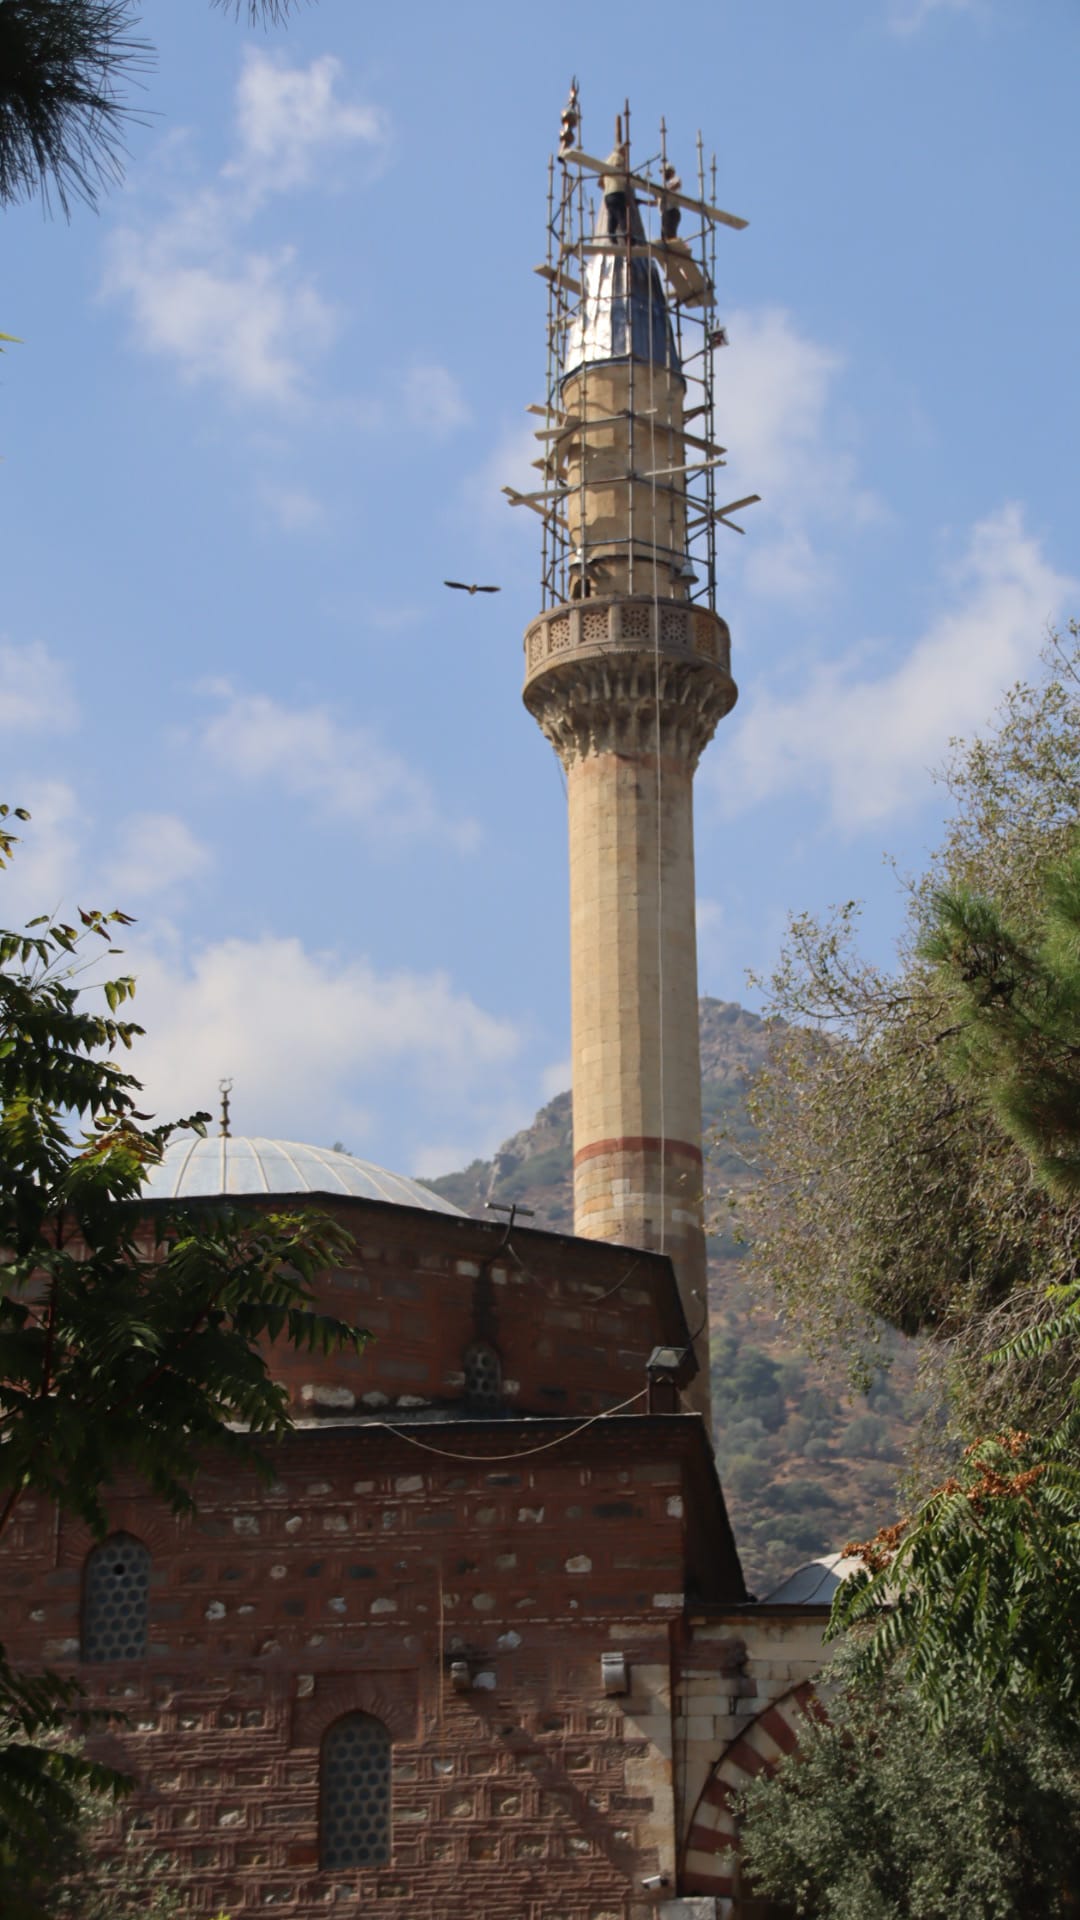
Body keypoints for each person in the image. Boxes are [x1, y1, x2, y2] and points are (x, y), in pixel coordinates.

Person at [602, 135, 630, 242]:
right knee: (621, 215)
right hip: (617, 191)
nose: (625, 155)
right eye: (624, 152)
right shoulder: (617, 157)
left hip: (608, 194)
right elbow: (618, 165)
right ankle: (626, 236)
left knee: (612, 216)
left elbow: (601, 182)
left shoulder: (607, 160)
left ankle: (612, 237)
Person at [660, 161, 682, 242]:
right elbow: (656, 202)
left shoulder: (674, 180)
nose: (663, 174)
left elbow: (677, 185)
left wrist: (665, 191)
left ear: (671, 172)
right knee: (664, 237)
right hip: (665, 213)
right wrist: (641, 202)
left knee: (669, 235)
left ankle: (673, 246)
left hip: (672, 211)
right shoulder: (663, 186)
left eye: (665, 172)